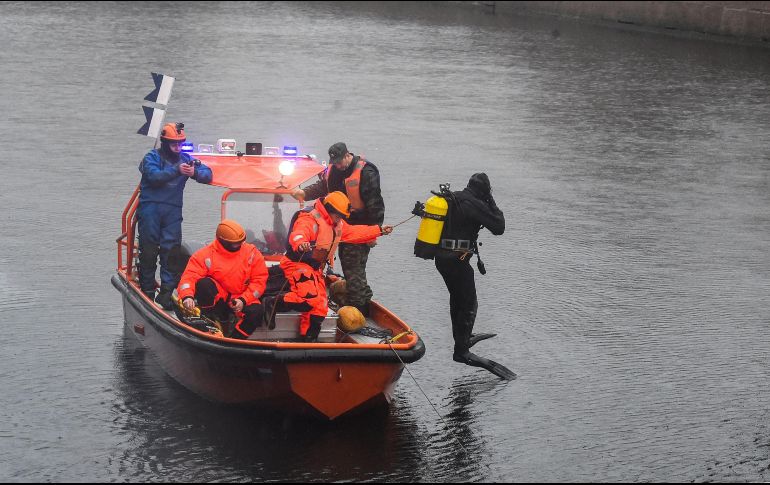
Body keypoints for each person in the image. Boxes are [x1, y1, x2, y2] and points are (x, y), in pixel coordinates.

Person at [265, 191, 393, 342]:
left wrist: (378, 230)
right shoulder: (309, 218)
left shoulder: (337, 224)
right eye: (339, 216)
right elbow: (298, 234)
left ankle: (308, 339)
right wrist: (301, 243)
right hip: (297, 264)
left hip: (315, 269)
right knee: (310, 299)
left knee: (321, 305)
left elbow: (354, 233)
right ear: (330, 210)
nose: (340, 219)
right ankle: (273, 302)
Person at [435, 173, 516, 380]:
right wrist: (490, 199)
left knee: (457, 298)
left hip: (442, 260)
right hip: (457, 261)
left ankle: (462, 337)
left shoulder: (454, 197)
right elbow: (499, 227)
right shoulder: (474, 204)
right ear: (484, 191)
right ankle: (462, 351)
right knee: (470, 304)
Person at [290, 142, 384, 317]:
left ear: (348, 155)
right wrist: (304, 193)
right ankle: (356, 302)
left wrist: (373, 233)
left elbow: (376, 204)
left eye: (340, 161)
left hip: (358, 227)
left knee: (354, 270)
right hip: (335, 224)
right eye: (335, 162)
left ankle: (359, 310)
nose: (338, 165)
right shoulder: (334, 169)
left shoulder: (366, 173)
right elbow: (323, 187)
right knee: (345, 266)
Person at [137, 122, 212, 310]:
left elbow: (208, 173)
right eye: (174, 144)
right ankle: (147, 290)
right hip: (150, 209)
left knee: (171, 252)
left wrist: (194, 172)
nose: (177, 147)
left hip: (173, 211)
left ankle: (166, 293)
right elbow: (154, 177)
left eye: (180, 144)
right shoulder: (151, 157)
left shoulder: (186, 159)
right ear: (165, 142)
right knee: (149, 251)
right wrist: (176, 170)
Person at [177, 219, 268, 339]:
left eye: (241, 242)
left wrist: (243, 300)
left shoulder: (252, 253)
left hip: (242, 296)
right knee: (204, 285)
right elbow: (189, 276)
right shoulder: (205, 254)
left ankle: (235, 340)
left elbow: (259, 281)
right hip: (220, 296)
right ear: (223, 241)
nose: (239, 245)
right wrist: (187, 296)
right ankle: (211, 322)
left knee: (256, 312)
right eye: (235, 243)